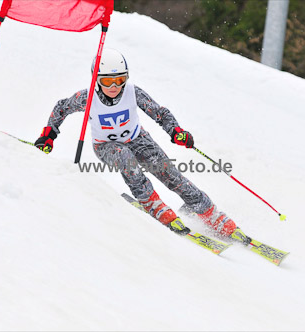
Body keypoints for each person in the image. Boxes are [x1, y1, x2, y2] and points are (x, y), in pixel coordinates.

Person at [34, 48, 251, 245]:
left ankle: (209, 212)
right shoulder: (87, 98)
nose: (114, 87)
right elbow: (61, 108)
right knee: (126, 159)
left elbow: (159, 112)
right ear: (96, 79)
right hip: (106, 146)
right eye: (107, 81)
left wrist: (176, 131)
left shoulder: (132, 92)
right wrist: (49, 135)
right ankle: (153, 203)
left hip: (138, 139)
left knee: (170, 174)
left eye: (120, 80)